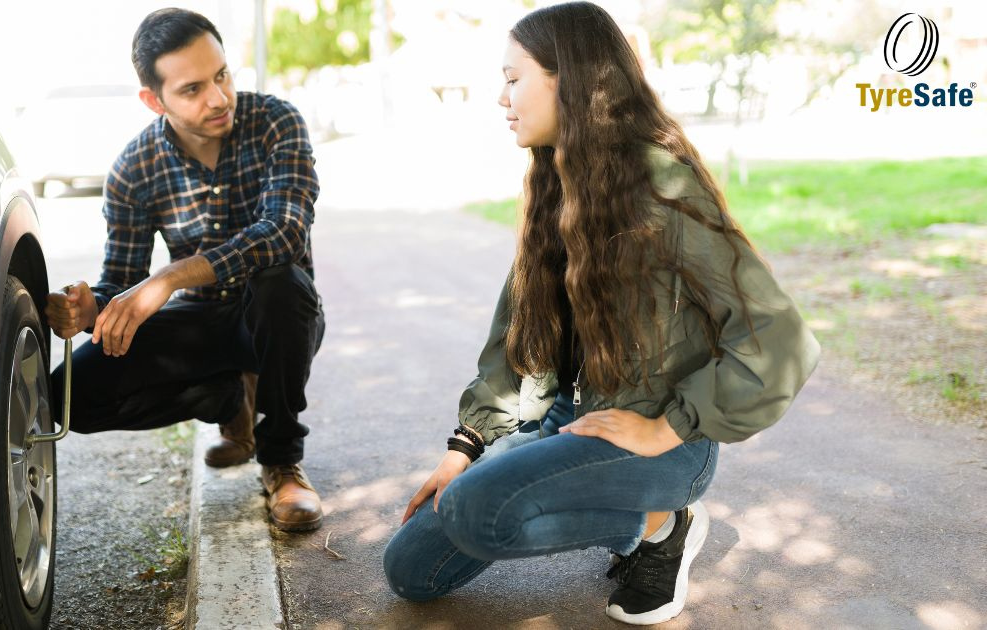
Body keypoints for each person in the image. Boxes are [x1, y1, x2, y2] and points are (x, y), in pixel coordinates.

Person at [381, 2, 820, 625]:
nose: (502, 98)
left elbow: (780, 338)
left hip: (658, 436)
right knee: (411, 571)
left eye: (513, 78)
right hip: (567, 420)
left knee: (476, 512)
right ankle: (622, 521)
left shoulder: (662, 186)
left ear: (570, 79)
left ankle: (662, 525)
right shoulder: (554, 180)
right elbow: (516, 340)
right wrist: (465, 446)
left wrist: (666, 428)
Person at [44, 8, 326, 532]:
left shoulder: (276, 122)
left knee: (280, 283)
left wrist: (170, 277)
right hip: (199, 328)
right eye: (192, 89)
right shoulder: (134, 168)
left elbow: (285, 231)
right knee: (67, 399)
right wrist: (92, 310)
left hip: (275, 320)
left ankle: (282, 461)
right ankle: (225, 398)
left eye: (222, 76)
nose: (218, 98)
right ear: (154, 101)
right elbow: (122, 278)